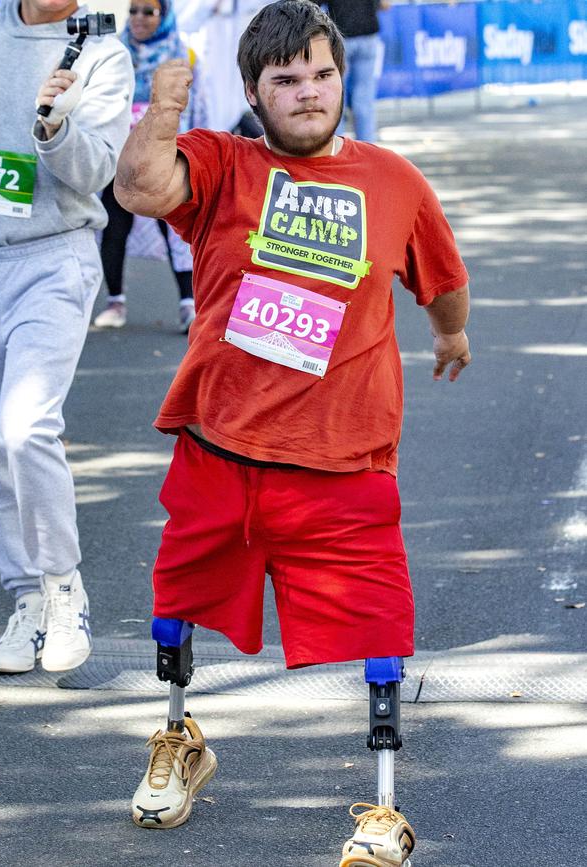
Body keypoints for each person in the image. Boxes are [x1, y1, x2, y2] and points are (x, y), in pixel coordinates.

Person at [115, 0, 470, 862]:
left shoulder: (393, 180)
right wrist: (163, 107)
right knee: (176, 604)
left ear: (343, 79)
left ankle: (383, 809)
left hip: (343, 460)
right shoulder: (222, 162)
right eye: (286, 80)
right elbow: (139, 190)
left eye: (322, 75)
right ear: (252, 91)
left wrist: (451, 333)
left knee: (378, 626)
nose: (309, 94)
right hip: (220, 446)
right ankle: (179, 741)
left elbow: (443, 281)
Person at [0, 0, 134, 674]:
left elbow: (96, 172)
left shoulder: (102, 50)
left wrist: (54, 126)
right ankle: (24, 597)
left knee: (26, 429)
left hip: (55, 258)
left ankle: (61, 585)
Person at [94, 0, 200, 333]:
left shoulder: (181, 56)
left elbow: (197, 108)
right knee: (114, 226)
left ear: (164, 16)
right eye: (135, 10)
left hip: (165, 155)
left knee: (173, 228)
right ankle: (115, 302)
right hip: (119, 154)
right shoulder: (114, 53)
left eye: (148, 12)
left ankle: (189, 304)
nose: (139, 18)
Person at [327, 0, 390, 143]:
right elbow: (386, 5)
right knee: (364, 99)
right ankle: (367, 148)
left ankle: (335, 147)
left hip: (340, 34)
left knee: (336, 97)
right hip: (368, 34)